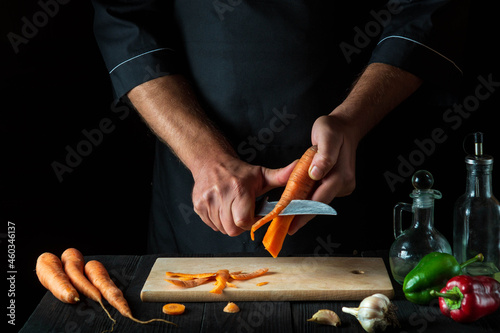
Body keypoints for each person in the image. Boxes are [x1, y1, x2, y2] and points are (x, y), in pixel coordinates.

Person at [90, 0, 468, 254]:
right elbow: (124, 19)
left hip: (351, 178)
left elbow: (426, 8)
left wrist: (350, 121)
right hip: (198, 187)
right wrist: (204, 157)